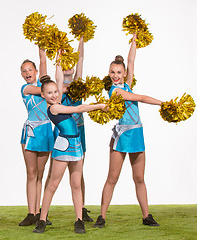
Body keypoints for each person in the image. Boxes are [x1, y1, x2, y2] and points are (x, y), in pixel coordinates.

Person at [93, 34, 162, 228]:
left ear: (124, 73)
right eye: (112, 72)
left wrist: (134, 39)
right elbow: (140, 97)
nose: (115, 75)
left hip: (137, 133)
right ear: (109, 73)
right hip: (122, 135)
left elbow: (131, 60)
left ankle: (146, 216)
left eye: (118, 72)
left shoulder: (127, 84)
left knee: (139, 178)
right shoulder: (115, 91)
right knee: (112, 177)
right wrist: (163, 104)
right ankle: (102, 216)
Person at [34, 59, 106, 234]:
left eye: (56, 92)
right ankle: (42, 219)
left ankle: (79, 220)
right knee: (53, 184)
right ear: (43, 95)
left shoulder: (58, 103)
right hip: (63, 146)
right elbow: (78, 108)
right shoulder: (54, 109)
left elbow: (59, 79)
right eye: (49, 93)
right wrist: (99, 106)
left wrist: (59, 60)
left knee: (76, 183)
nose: (54, 95)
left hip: (76, 144)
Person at [44, 36, 93, 222]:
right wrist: (59, 53)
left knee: (78, 172)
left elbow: (80, 59)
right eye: (64, 64)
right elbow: (58, 73)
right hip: (62, 132)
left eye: (69, 63)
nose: (68, 66)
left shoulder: (78, 84)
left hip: (79, 131)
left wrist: (82, 38)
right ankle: (44, 211)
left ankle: (81, 208)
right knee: (53, 172)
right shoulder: (58, 88)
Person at [19, 48, 54, 226]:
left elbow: (43, 62)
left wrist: (42, 48)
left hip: (46, 131)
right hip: (31, 133)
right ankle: (31, 212)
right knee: (31, 173)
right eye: (24, 71)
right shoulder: (26, 88)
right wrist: (54, 87)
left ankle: (40, 212)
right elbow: (45, 88)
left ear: (36, 72)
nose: (27, 73)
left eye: (30, 70)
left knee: (40, 174)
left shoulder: (44, 86)